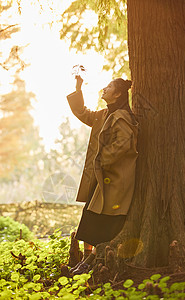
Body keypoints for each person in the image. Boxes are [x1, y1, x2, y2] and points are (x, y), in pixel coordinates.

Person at [66, 75, 138, 275]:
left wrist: (101, 160)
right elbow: (81, 112)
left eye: (109, 87)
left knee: (104, 225)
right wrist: (78, 88)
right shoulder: (103, 114)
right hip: (101, 180)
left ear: (117, 94)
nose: (104, 89)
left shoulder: (123, 117)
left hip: (114, 180)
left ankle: (91, 264)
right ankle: (85, 261)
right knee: (90, 218)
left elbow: (123, 145)